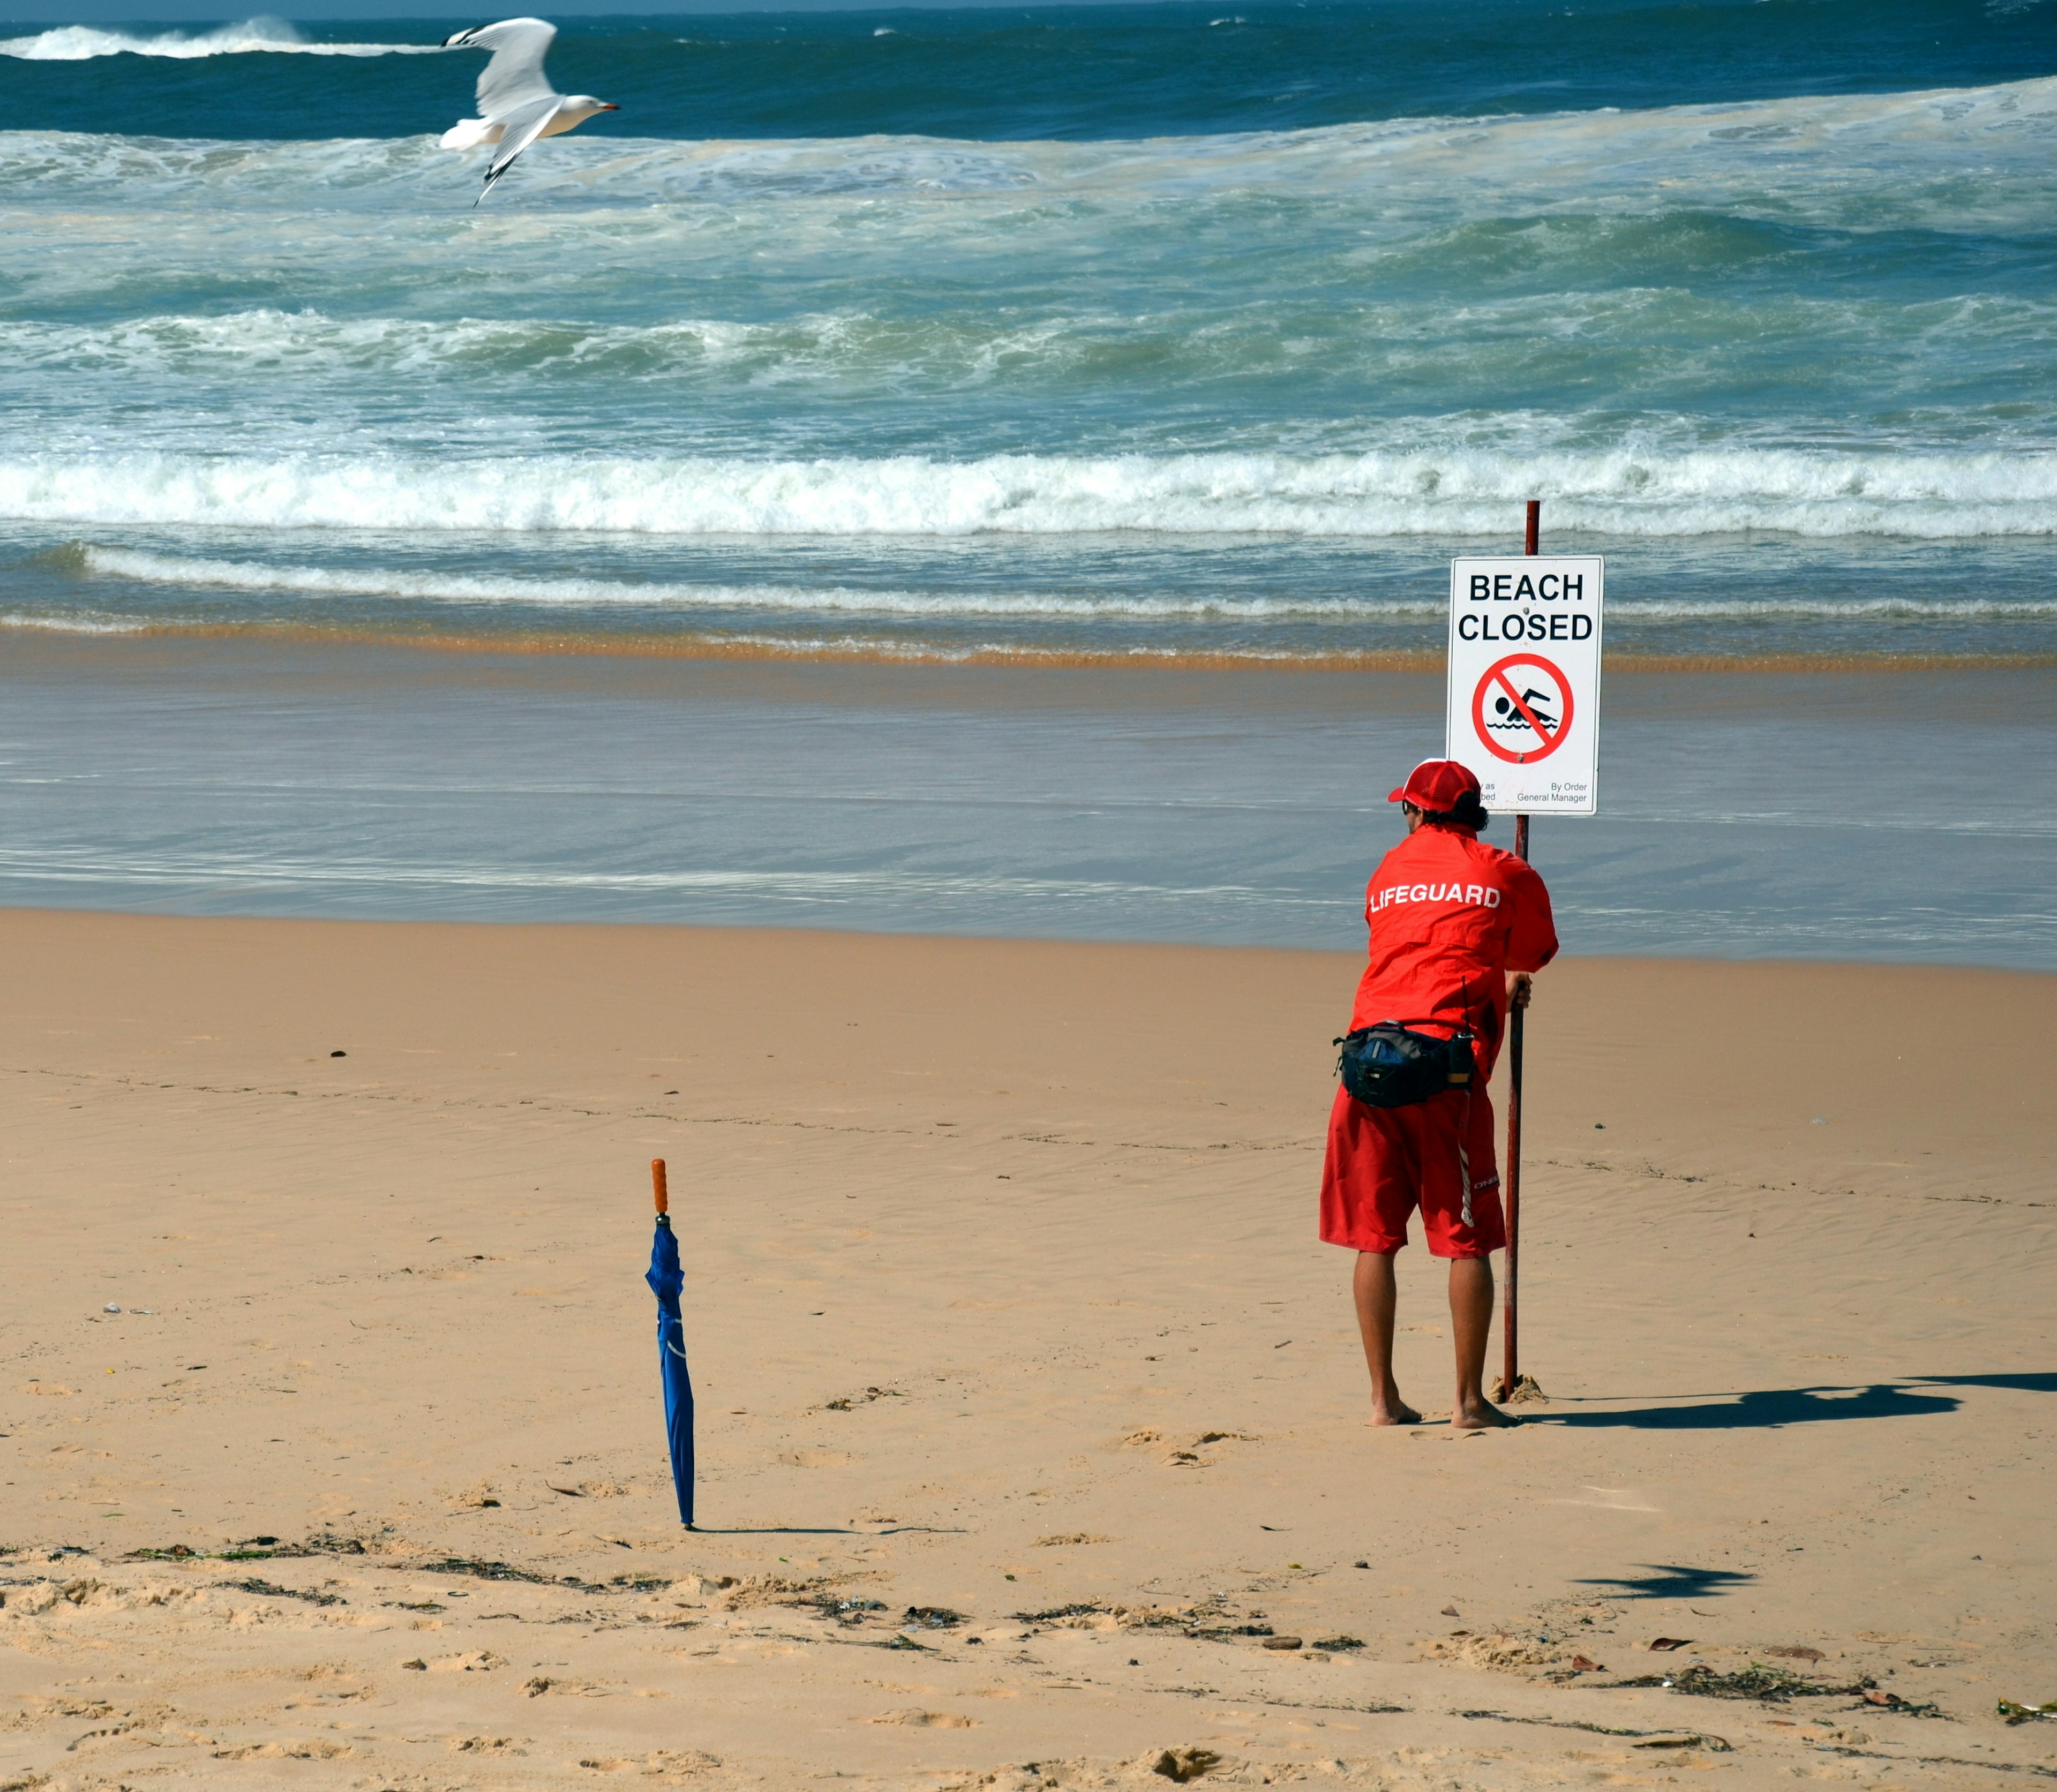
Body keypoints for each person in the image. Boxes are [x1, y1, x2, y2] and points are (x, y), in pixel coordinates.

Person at [1319, 758, 1558, 1429]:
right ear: (1473, 813)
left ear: (1417, 811)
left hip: (1369, 1060)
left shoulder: (1388, 868)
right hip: (1445, 1071)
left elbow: (1406, 946)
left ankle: (1382, 1400)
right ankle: (1469, 1402)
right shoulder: (1502, 867)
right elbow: (1534, 952)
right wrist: (1500, 985)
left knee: (1376, 1237)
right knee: (1466, 1237)